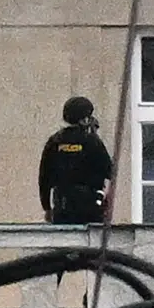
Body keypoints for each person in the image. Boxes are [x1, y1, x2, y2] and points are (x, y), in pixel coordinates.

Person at [39, 96, 114, 226]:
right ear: (84, 119)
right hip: (90, 206)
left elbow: (44, 178)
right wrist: (107, 201)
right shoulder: (92, 141)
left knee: (64, 242)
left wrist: (47, 208)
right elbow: (110, 172)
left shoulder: (55, 141)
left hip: (62, 205)